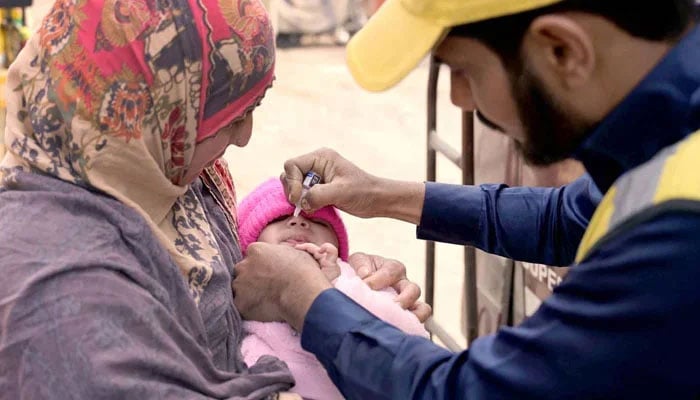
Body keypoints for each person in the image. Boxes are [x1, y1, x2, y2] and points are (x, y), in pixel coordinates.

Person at [232, 0, 700, 398]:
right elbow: (568, 217)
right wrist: (376, 194)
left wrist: (304, 299)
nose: (460, 99)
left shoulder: (680, 234)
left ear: (562, 49)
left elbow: (472, 391)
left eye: (463, 70)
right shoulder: (669, 132)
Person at [0, 0, 426, 398]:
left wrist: (344, 286)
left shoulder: (165, 173)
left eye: (252, 107)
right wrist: (319, 311)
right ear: (149, 111)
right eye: (231, 117)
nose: (245, 136)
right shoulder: (63, 300)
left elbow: (236, 292)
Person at [237, 178, 428, 400]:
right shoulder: (242, 291)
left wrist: (336, 287)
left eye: (318, 221)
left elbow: (412, 336)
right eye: (279, 218)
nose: (298, 222)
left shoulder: (359, 278)